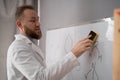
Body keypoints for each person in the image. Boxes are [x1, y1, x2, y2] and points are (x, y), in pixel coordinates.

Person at [7, 5, 93, 80]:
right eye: (33, 21)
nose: (38, 24)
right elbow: (41, 78)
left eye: (38, 20)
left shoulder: (29, 45)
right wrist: (74, 54)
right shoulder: (18, 48)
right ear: (19, 24)